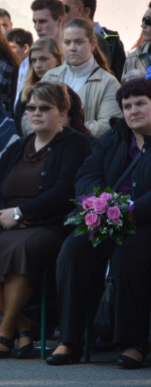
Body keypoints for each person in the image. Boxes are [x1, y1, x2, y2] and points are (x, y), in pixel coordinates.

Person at [0, 81, 92, 359]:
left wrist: (23, 213)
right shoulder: (19, 145)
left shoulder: (75, 143)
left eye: (44, 108)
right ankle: (23, 325)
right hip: (7, 221)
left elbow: (64, 190)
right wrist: (4, 215)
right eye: (31, 108)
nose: (36, 113)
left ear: (62, 114)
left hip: (48, 224)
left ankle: (5, 332)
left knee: (21, 251)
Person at [49, 77, 151, 368]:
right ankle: (69, 340)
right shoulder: (113, 138)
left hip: (145, 222)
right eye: (127, 105)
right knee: (73, 250)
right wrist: (97, 202)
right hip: (108, 218)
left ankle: (135, 342)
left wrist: (134, 209)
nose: (133, 111)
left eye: (141, 103)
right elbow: (87, 175)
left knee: (129, 253)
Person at [41, 18, 121, 138]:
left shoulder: (109, 83)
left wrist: (63, 126)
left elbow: (108, 126)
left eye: (79, 42)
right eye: (67, 42)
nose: (72, 48)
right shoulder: (50, 76)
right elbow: (29, 115)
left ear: (92, 45)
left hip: (88, 153)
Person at [58, 0, 125, 81]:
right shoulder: (56, 39)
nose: (58, 15)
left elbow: (115, 79)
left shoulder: (109, 41)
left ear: (83, 11)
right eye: (67, 42)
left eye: (64, 9)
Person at [15, 37, 64, 136]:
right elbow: (18, 126)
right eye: (33, 60)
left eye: (43, 59)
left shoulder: (67, 89)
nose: (37, 65)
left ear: (58, 60)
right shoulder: (26, 91)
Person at [122, 1, 151, 79]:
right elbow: (124, 89)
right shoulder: (133, 58)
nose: (142, 25)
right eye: (143, 20)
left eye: (148, 21)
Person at [7, 28, 35, 105]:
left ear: (26, 48)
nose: (7, 52)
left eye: (12, 47)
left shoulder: (35, 70)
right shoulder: (9, 69)